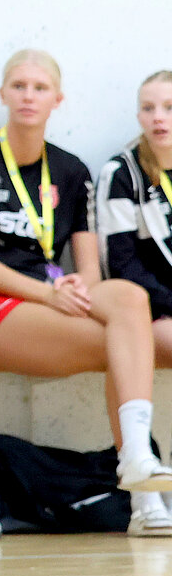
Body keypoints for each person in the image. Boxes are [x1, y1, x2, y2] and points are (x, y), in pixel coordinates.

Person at [0, 49, 172, 537]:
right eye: (19, 86)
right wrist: (49, 295)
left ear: (58, 99)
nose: (29, 96)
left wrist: (75, 285)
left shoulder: (71, 170)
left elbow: (89, 268)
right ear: (3, 94)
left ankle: (135, 458)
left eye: (40, 87)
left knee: (129, 299)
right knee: (126, 344)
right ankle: (144, 497)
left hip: (53, 301)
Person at [98, 71, 172, 362]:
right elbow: (119, 266)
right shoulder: (120, 174)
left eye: (169, 108)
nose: (158, 117)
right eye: (148, 108)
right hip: (152, 313)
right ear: (138, 115)